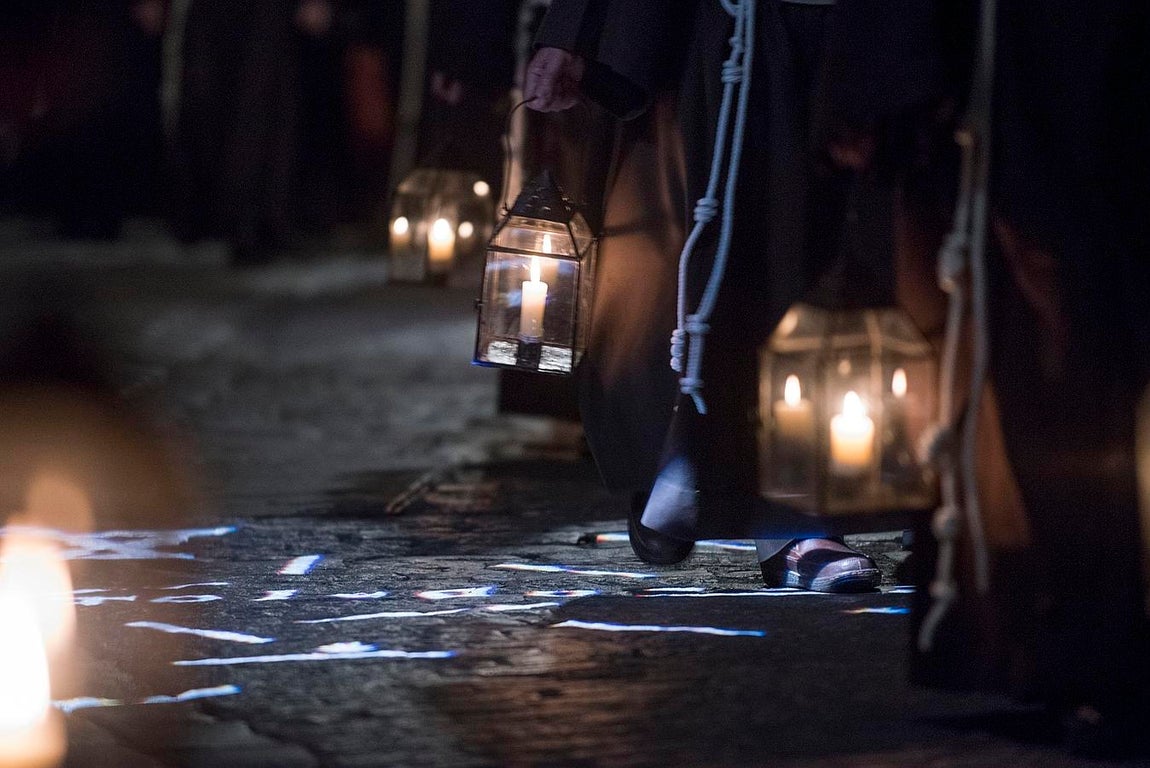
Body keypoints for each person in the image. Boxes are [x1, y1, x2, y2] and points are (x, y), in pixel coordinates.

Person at [526, 0, 944, 591]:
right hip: (745, 31)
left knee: (897, 235)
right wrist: (579, 32)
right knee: (749, 238)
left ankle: (928, 503)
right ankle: (775, 508)